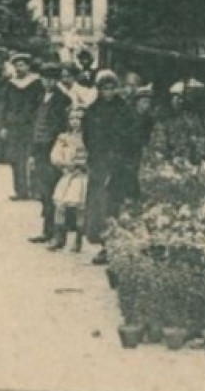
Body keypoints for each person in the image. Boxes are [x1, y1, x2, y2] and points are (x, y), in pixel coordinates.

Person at [81, 70, 144, 264]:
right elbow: (88, 136)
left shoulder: (125, 111)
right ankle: (103, 245)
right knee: (98, 205)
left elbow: (133, 139)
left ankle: (114, 247)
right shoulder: (92, 111)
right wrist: (94, 158)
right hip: (99, 164)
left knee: (114, 204)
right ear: (98, 90)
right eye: (104, 89)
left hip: (119, 165)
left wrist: (122, 159)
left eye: (111, 89)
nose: (108, 93)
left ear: (116, 89)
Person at [28, 62, 74, 244]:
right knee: (43, 190)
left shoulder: (63, 100)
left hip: (54, 149)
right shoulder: (39, 96)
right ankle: (47, 230)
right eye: (45, 78)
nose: (47, 82)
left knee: (54, 190)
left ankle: (57, 233)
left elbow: (63, 128)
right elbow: (34, 123)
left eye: (51, 79)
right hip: (39, 147)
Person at [1, 53, 43, 200]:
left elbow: (40, 105)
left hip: (31, 124)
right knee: (16, 158)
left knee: (32, 157)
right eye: (17, 65)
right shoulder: (10, 84)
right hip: (14, 126)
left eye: (22, 65)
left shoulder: (36, 84)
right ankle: (20, 190)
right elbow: (5, 105)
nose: (19, 68)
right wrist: (4, 126)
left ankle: (35, 190)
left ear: (28, 66)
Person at [47, 109, 90, 253]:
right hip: (68, 174)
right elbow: (55, 155)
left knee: (80, 207)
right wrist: (64, 164)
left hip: (82, 175)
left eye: (78, 118)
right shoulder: (64, 138)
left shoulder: (89, 137)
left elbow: (93, 155)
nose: (75, 121)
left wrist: (84, 166)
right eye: (72, 118)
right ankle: (59, 236)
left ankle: (78, 239)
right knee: (60, 204)